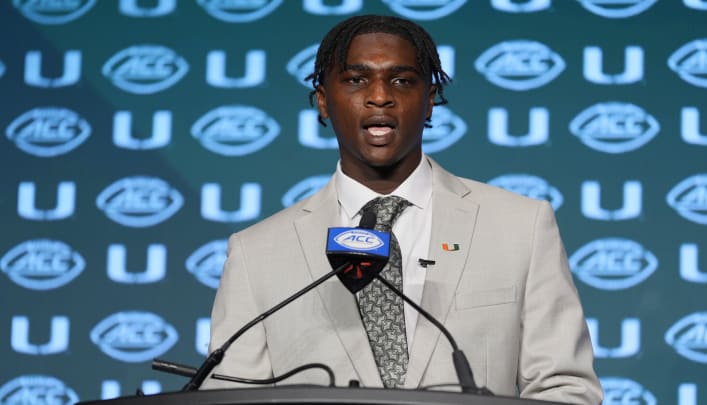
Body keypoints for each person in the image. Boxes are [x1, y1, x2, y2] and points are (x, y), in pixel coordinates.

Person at [201, 14, 602, 404]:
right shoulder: (257, 253)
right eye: (357, 79)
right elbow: (229, 398)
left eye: (402, 80)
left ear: (429, 101)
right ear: (323, 101)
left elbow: (565, 389)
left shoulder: (520, 227)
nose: (380, 96)